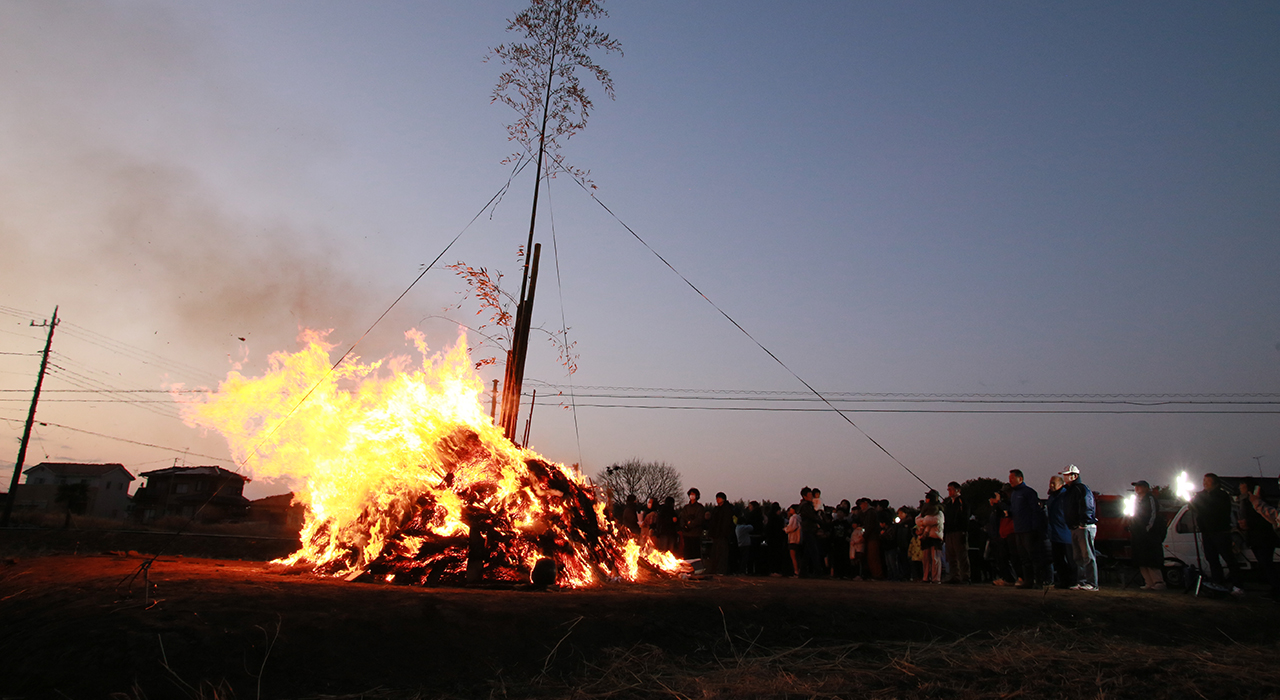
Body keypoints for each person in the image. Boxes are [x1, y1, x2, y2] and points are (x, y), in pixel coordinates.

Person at [1192, 473, 1243, 595]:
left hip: (1220, 531)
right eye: (1204, 480)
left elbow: (1215, 509)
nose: (1204, 483)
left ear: (1215, 483)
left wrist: (1200, 501)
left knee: (1228, 558)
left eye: (1207, 481)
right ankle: (1218, 583)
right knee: (1211, 558)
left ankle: (1237, 585)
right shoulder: (1201, 495)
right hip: (1207, 532)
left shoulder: (1222, 495)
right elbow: (1195, 507)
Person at [1239, 478, 1279, 600]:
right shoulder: (1245, 503)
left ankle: (1277, 590)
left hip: (1264, 539)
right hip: (1256, 539)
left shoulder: (1258, 502)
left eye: (1243, 487)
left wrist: (1248, 524)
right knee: (1265, 565)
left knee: (1267, 564)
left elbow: (1268, 519)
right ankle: (1274, 589)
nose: (1241, 490)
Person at [1061, 465, 1099, 591]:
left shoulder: (1080, 489)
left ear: (1075, 476)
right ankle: (1082, 582)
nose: (1065, 477)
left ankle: (1092, 583)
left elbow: (1087, 505)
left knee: (1087, 556)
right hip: (1075, 527)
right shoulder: (1070, 490)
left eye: (1067, 475)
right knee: (1078, 556)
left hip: (1083, 527)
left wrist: (1083, 522)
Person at [1129, 480, 1166, 591]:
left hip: (1149, 534)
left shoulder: (1150, 499)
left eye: (1139, 486)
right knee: (1141, 558)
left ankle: (1158, 582)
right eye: (1136, 487)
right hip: (1138, 533)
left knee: (1151, 558)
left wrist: (1147, 528)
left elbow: (1153, 515)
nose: (1137, 488)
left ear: (1145, 488)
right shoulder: (1136, 501)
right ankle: (1148, 582)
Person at [1008, 469, 1040, 588]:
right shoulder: (1014, 494)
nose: (1010, 480)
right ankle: (1028, 581)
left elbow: (1035, 511)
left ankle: (1038, 581)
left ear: (1020, 478)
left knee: (1032, 556)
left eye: (1012, 478)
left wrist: (1034, 528)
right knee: (1023, 557)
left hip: (1028, 530)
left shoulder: (1028, 492)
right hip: (1018, 529)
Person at [1046, 475, 1076, 589]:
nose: (1051, 485)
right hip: (1055, 533)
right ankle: (1063, 581)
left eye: (1054, 483)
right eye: (1050, 483)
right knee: (1058, 559)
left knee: (1069, 560)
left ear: (1061, 484)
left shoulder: (1065, 496)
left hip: (1065, 533)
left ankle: (1072, 581)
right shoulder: (1052, 497)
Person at [943, 482, 970, 583]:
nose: (949, 491)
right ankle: (954, 575)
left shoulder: (962, 502)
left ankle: (965, 576)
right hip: (950, 532)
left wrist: (964, 531)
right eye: (948, 489)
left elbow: (965, 517)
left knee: (961, 554)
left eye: (951, 489)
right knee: (951, 555)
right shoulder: (949, 504)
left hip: (959, 531)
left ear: (958, 490)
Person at [916, 491, 944, 583]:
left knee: (935, 559)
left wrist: (924, 522)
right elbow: (917, 520)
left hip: (935, 537)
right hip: (926, 538)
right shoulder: (925, 510)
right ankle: (926, 577)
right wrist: (926, 522)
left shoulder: (939, 511)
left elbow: (935, 520)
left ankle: (936, 578)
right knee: (926, 559)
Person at [709, 492, 736, 575]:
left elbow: (727, 523)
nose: (717, 499)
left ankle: (722, 570)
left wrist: (725, 533)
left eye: (719, 498)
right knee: (715, 553)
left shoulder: (727, 509)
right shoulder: (716, 509)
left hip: (724, 535)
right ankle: (715, 569)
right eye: (717, 498)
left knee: (723, 553)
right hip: (716, 535)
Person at [678, 488, 707, 560]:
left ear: (697, 496)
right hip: (686, 534)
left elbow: (700, 519)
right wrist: (684, 525)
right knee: (687, 552)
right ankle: (687, 567)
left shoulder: (700, 507)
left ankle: (697, 568)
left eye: (693, 494)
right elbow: (682, 517)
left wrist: (690, 524)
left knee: (695, 552)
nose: (692, 496)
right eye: (691, 494)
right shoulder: (686, 507)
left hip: (695, 534)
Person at [784, 504, 802, 576]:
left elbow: (791, 528)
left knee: (793, 557)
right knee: (798, 556)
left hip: (793, 539)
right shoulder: (799, 517)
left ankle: (796, 571)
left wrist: (785, 529)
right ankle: (799, 570)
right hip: (798, 539)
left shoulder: (794, 518)